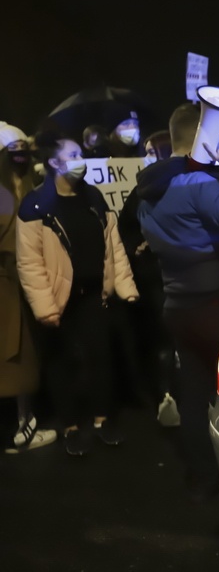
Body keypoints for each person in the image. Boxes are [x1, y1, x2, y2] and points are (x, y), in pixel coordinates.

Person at [136, 97, 219, 500]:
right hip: (213, 303)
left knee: (193, 391)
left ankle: (201, 475)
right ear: (203, 136)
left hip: (177, 304)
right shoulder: (195, 182)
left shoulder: (151, 187)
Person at [16, 130, 139, 456]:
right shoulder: (35, 205)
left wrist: (125, 287)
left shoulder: (94, 198)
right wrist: (45, 308)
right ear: (55, 163)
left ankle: (101, 420)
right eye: (72, 156)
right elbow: (29, 263)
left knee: (101, 357)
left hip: (93, 293)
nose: (79, 162)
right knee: (61, 364)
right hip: (57, 298)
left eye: (80, 155)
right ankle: (71, 426)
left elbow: (113, 245)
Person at [0, 123, 57, 453]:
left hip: (21, 286)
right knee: (17, 359)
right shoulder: (7, 194)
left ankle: (22, 424)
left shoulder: (24, 187)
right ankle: (21, 429)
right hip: (12, 289)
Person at [118, 129, 180, 424]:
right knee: (163, 338)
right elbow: (124, 227)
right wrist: (137, 247)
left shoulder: (183, 184)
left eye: (152, 152)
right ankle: (165, 395)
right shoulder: (143, 188)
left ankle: (174, 394)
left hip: (177, 274)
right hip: (153, 277)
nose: (147, 158)